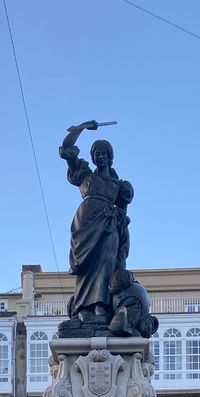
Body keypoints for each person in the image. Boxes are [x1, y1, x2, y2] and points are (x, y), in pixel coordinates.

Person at [59, 120, 134, 333]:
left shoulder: (120, 186)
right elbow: (66, 150)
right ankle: (82, 309)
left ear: (110, 157)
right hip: (85, 223)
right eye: (96, 154)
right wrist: (80, 128)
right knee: (85, 267)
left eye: (103, 154)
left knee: (106, 263)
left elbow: (123, 214)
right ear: (92, 157)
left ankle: (101, 305)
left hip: (108, 224)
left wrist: (120, 227)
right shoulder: (85, 175)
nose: (99, 157)